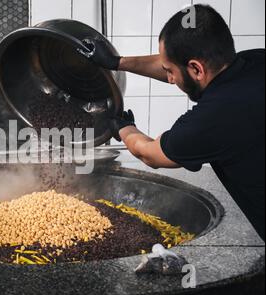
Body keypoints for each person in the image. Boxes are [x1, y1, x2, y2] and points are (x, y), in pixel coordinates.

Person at [82, 4, 265, 240]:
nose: (169, 78)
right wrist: (116, 62)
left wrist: (123, 127)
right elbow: (178, 64)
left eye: (169, 71)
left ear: (196, 69)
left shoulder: (212, 120)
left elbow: (150, 154)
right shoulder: (255, 60)